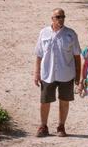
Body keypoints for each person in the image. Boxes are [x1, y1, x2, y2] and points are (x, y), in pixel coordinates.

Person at [33, 8, 82, 137]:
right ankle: (43, 126)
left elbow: (77, 56)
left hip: (66, 73)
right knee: (44, 101)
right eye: (58, 17)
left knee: (64, 101)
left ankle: (61, 126)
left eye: (63, 17)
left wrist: (78, 75)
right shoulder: (43, 33)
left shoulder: (71, 34)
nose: (61, 19)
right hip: (47, 73)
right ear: (52, 19)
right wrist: (36, 73)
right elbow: (38, 55)